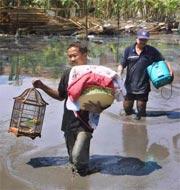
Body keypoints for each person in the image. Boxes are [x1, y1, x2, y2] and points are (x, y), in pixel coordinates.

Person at [32, 42, 103, 176]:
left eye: (74, 56)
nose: (71, 59)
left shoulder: (95, 73)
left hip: (86, 121)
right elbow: (60, 96)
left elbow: (105, 96)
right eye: (69, 56)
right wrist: (42, 86)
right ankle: (80, 171)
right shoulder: (68, 73)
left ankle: (84, 169)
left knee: (77, 155)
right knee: (72, 158)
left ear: (85, 54)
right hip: (69, 121)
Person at [117, 29, 173, 120]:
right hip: (129, 86)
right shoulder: (128, 50)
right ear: (136, 39)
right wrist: (119, 73)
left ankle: (141, 129)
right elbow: (122, 64)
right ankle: (128, 128)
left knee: (141, 112)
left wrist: (170, 70)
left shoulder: (152, 51)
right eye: (141, 39)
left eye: (145, 40)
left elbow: (163, 60)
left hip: (143, 86)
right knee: (127, 109)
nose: (143, 41)